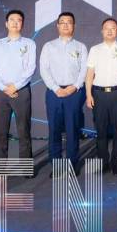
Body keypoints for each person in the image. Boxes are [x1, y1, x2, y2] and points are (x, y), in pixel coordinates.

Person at [0, 9, 36, 176]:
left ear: (22, 24)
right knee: (0, 132)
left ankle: (26, 169)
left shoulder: (29, 43)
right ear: (6, 23)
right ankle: (0, 168)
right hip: (1, 92)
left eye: (19, 20)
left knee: (24, 131)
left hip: (21, 92)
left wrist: (15, 86)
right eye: (12, 20)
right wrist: (3, 87)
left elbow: (31, 68)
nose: (15, 23)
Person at [39, 12, 88, 177]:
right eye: (62, 22)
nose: (66, 25)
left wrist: (74, 86)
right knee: (54, 130)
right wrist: (56, 88)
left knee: (72, 130)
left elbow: (84, 70)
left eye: (69, 22)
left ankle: (72, 164)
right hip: (54, 93)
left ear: (74, 26)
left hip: (74, 93)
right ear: (57, 26)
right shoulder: (49, 46)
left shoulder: (81, 47)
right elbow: (44, 70)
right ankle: (56, 165)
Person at [85, 18, 117, 174]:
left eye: (113, 28)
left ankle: (116, 162)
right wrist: (88, 94)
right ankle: (103, 161)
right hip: (99, 94)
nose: (110, 31)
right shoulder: (95, 49)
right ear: (102, 31)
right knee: (101, 130)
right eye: (106, 28)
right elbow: (90, 74)